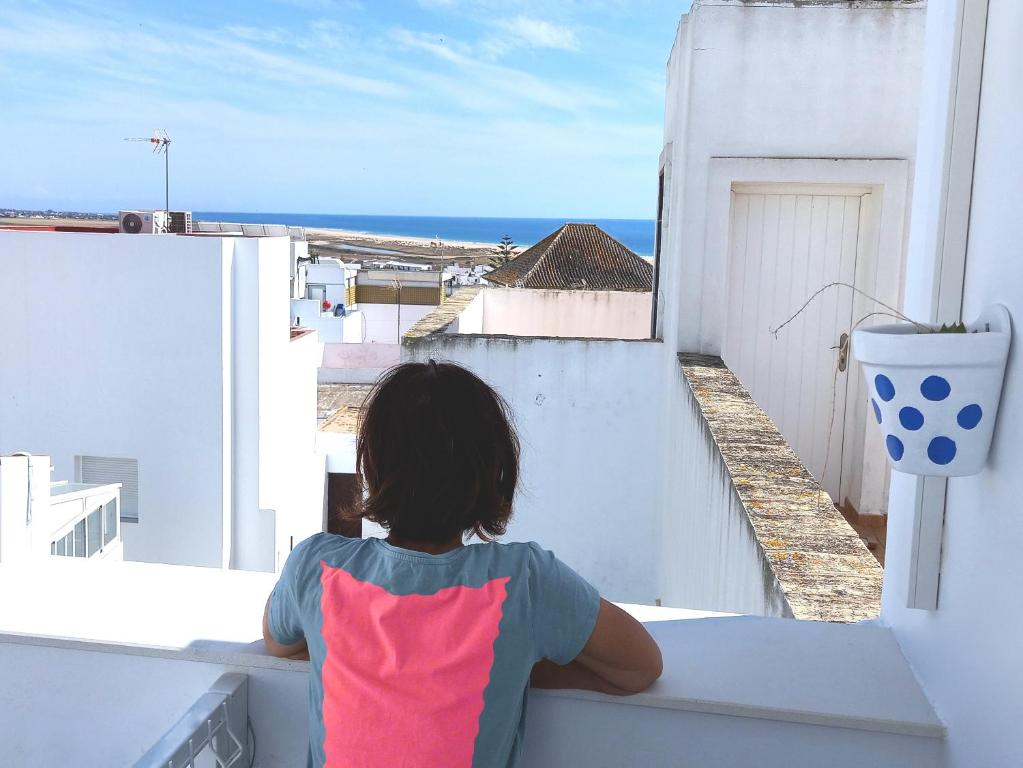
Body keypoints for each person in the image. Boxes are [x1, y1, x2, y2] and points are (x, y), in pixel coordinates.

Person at [263, 361, 662, 768]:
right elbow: (640, 667)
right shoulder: (525, 583)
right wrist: (515, 667)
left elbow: (279, 641)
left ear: (373, 465)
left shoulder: (315, 567)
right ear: (492, 473)